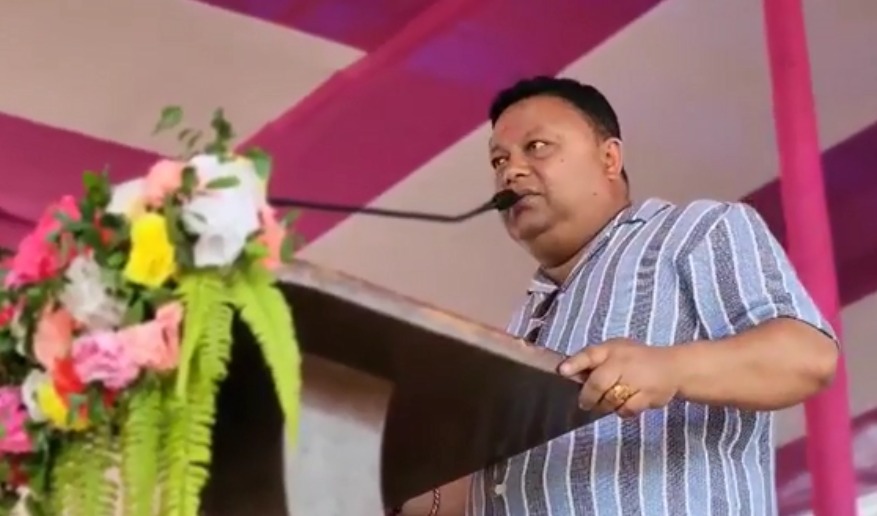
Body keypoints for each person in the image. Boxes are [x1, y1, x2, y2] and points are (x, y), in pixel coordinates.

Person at [395, 76, 839, 516]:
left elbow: (808, 357)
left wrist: (670, 367)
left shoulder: (694, 231)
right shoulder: (525, 319)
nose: (510, 171)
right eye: (499, 160)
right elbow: (523, 483)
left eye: (537, 146)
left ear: (609, 158)